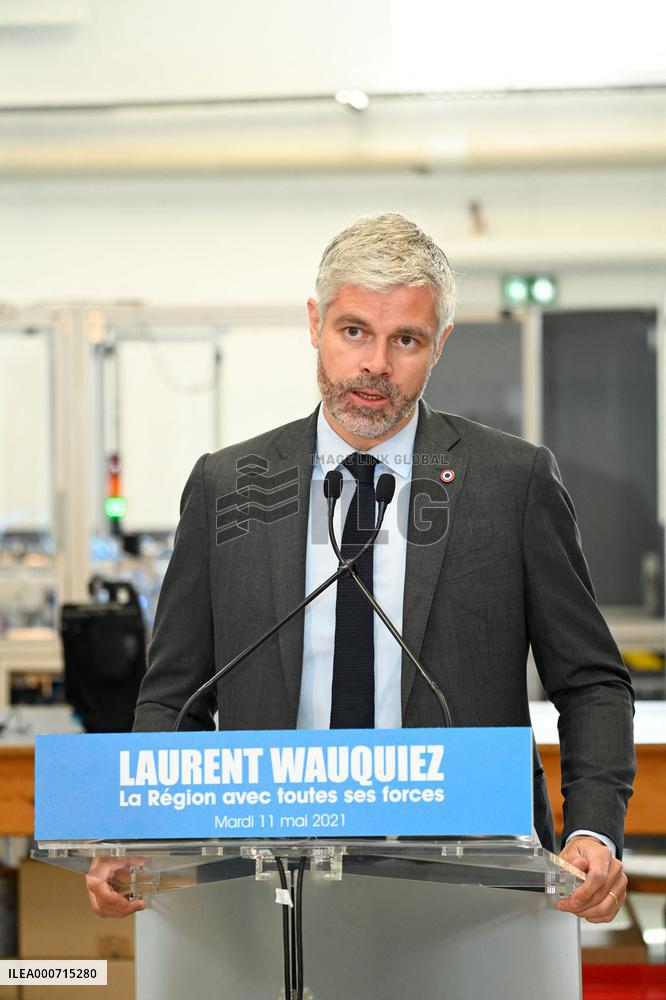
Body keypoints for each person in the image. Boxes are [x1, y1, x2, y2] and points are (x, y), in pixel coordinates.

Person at [87, 213, 635, 922]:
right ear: (315, 323)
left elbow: (591, 680)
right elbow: (175, 699)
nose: (376, 364)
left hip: (475, 882)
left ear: (439, 345)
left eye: (405, 339)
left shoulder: (513, 481)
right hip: (267, 881)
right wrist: (146, 835)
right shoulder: (227, 485)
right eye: (354, 332)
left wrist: (592, 830)